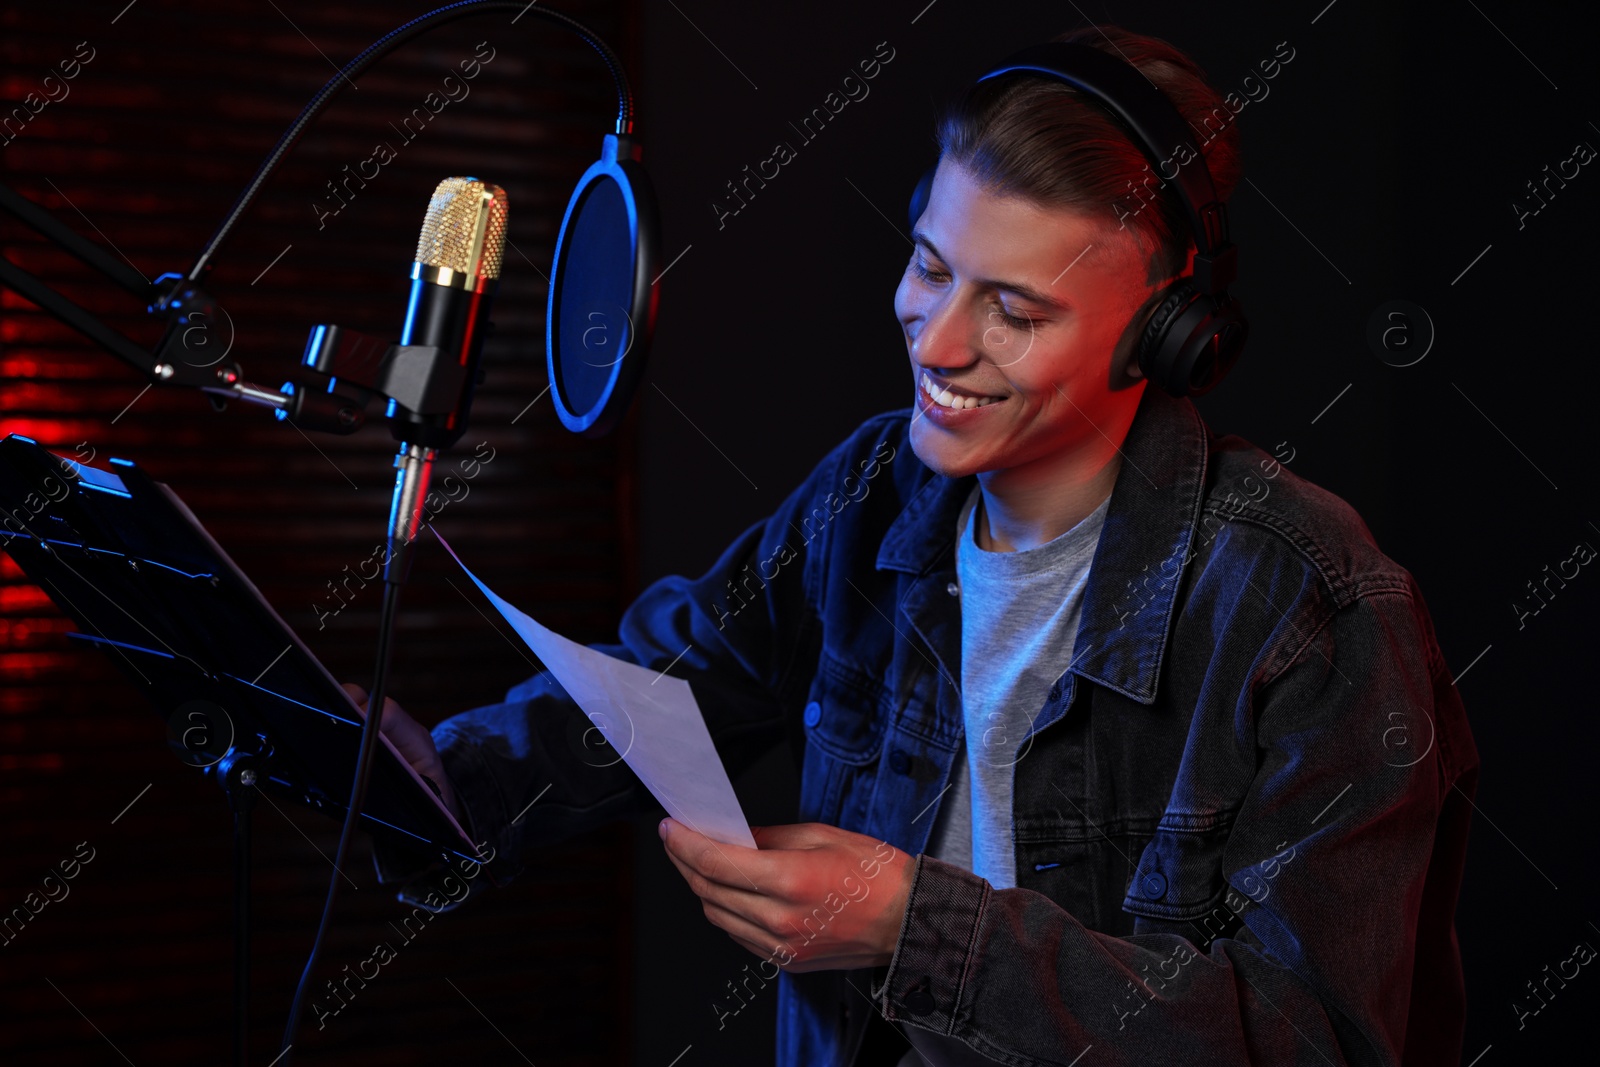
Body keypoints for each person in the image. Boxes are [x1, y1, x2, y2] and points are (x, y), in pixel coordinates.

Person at [356, 24, 1479, 1066]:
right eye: (931, 265)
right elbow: (669, 688)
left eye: (1014, 311)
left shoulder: (1309, 602)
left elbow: (1316, 1037)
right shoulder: (867, 491)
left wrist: (915, 925)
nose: (937, 341)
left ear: (1167, 330)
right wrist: (435, 777)